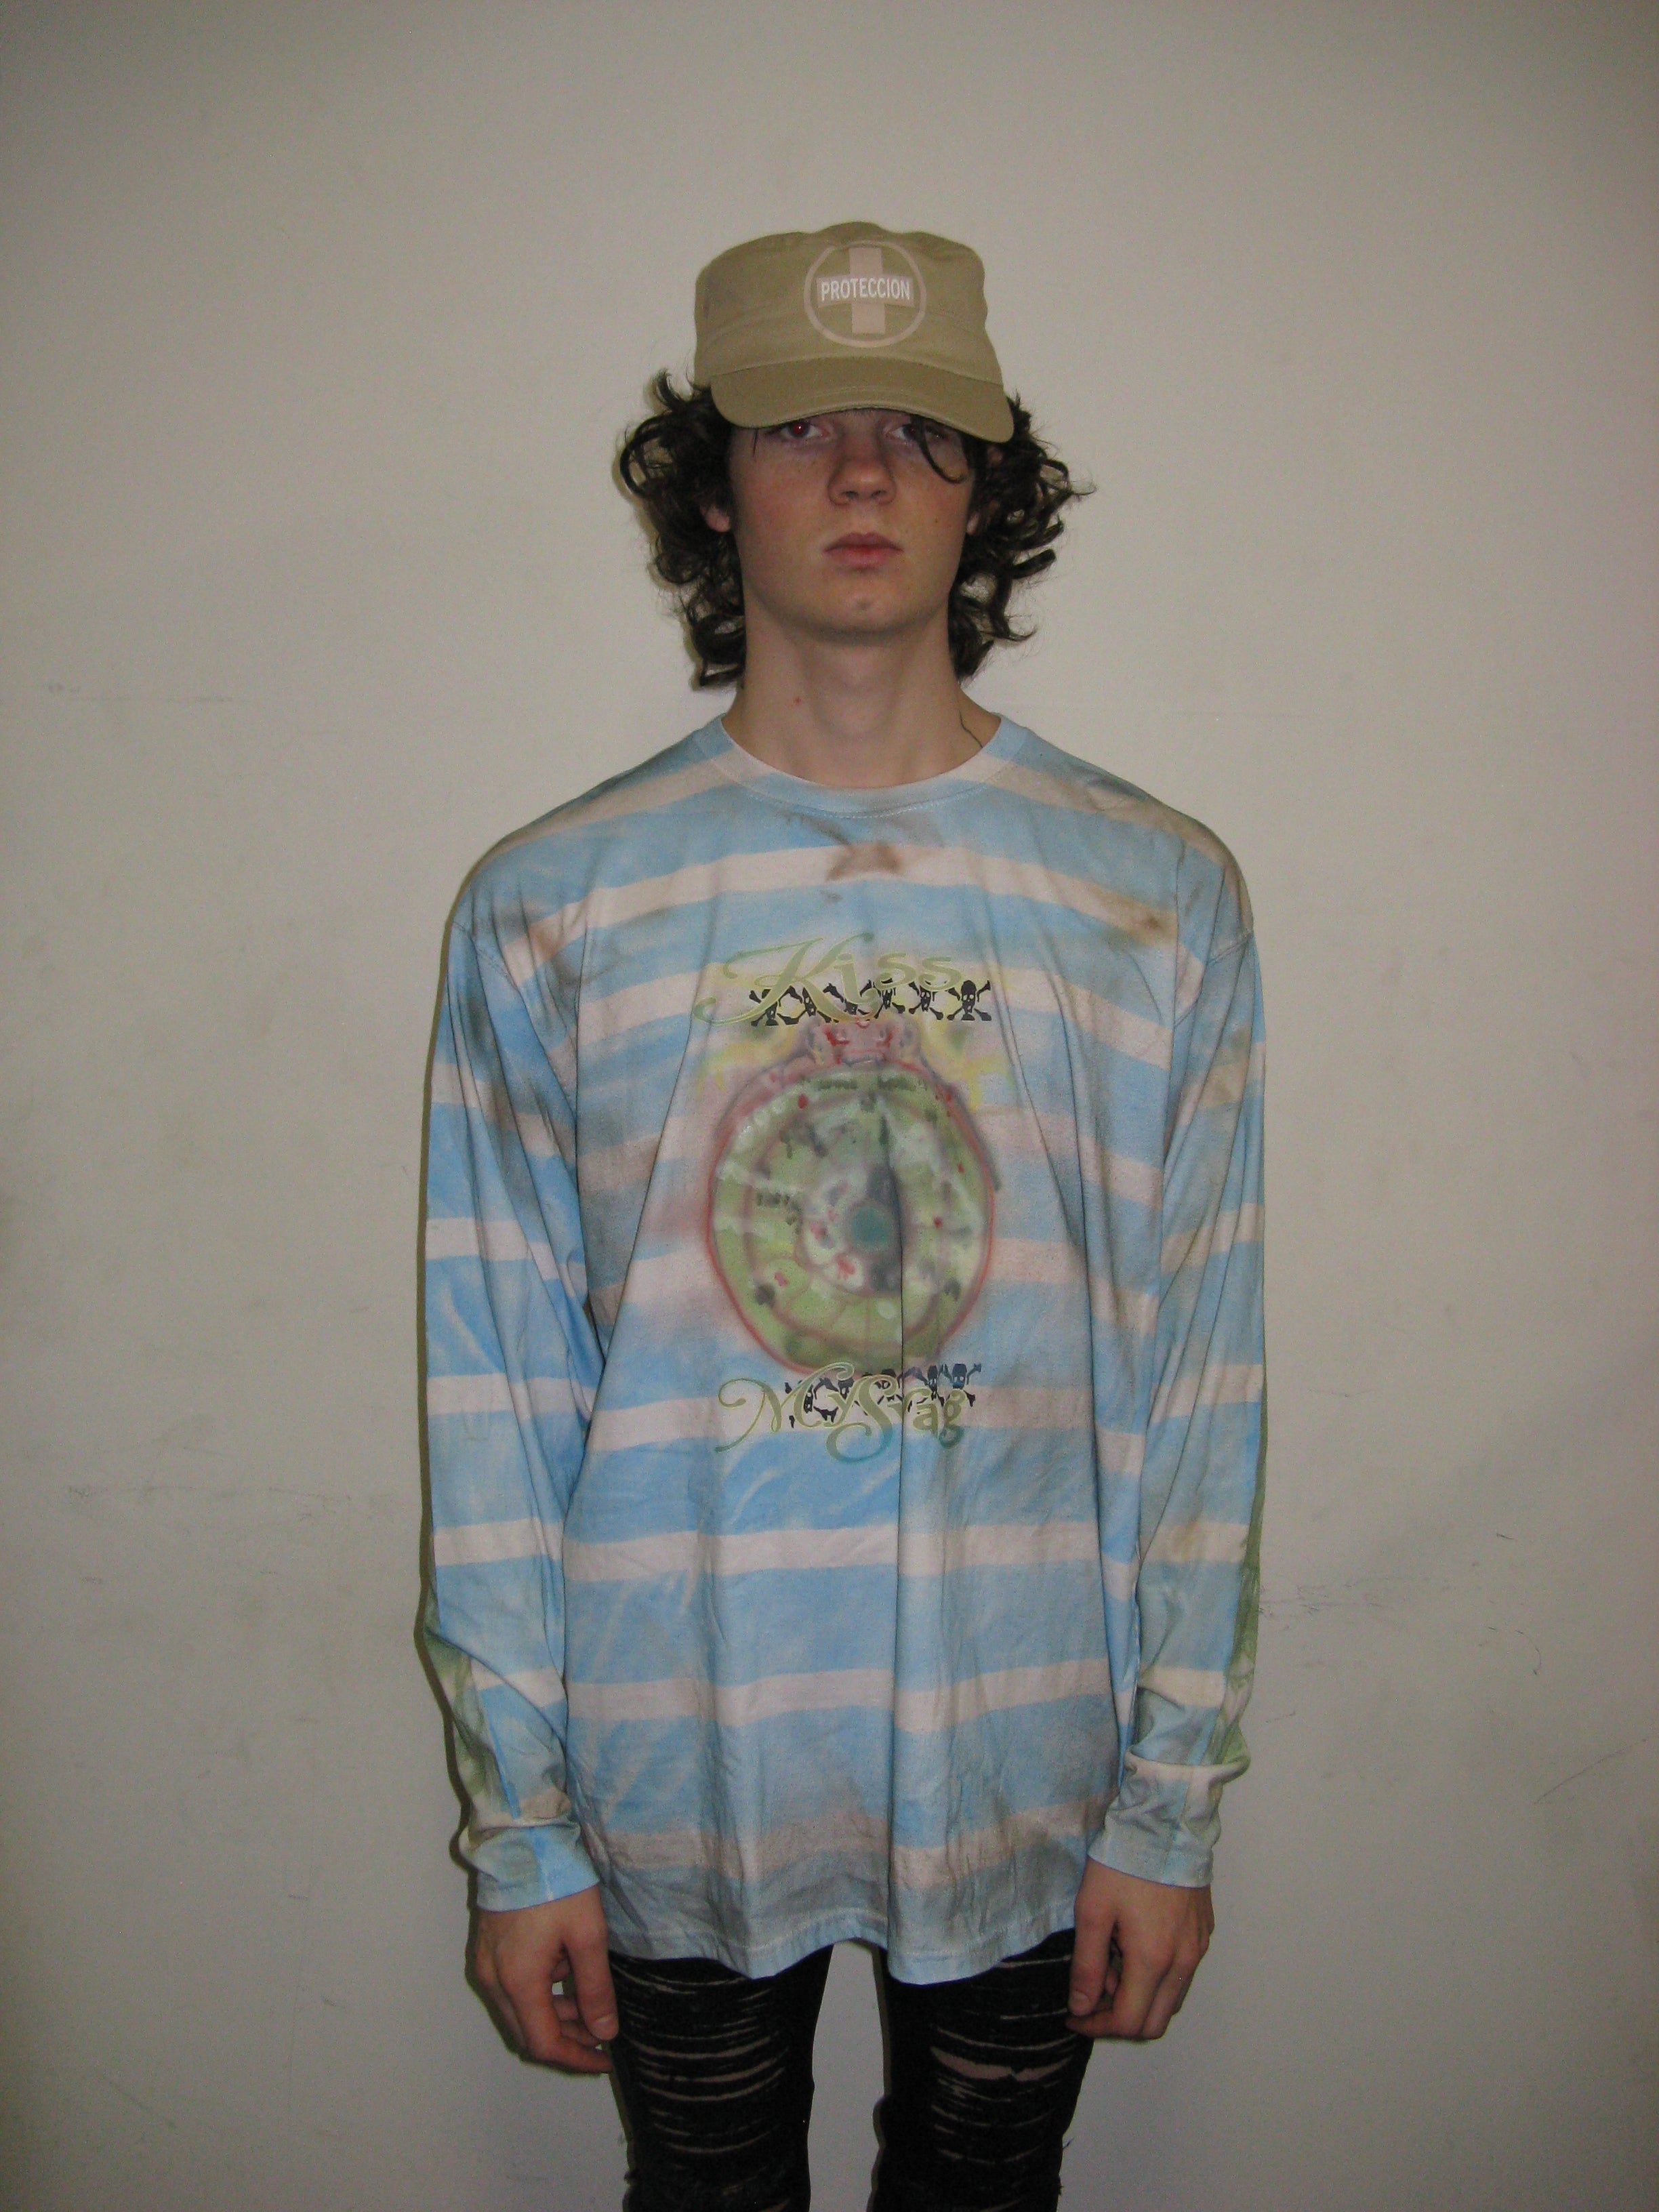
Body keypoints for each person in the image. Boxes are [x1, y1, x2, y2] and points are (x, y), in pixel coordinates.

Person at [420, 220, 1265, 2212]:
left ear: (988, 484)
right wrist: (521, 1829)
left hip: (1034, 1760)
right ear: (714, 485)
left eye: (921, 429)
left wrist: (1172, 1797)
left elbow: (1205, 1374)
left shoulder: (1154, 897)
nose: (866, 472)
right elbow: (496, 1397)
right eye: (801, 427)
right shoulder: (551, 903)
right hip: (672, 1763)